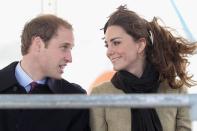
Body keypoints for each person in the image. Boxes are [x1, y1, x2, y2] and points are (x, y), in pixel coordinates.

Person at [90, 5, 197, 131]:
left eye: (116, 43)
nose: (108, 52)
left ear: (140, 45)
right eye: (107, 44)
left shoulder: (176, 91)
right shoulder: (100, 94)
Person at [0, 14, 90, 131]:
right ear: (38, 44)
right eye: (64, 47)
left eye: (70, 49)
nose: (69, 58)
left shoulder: (75, 100)